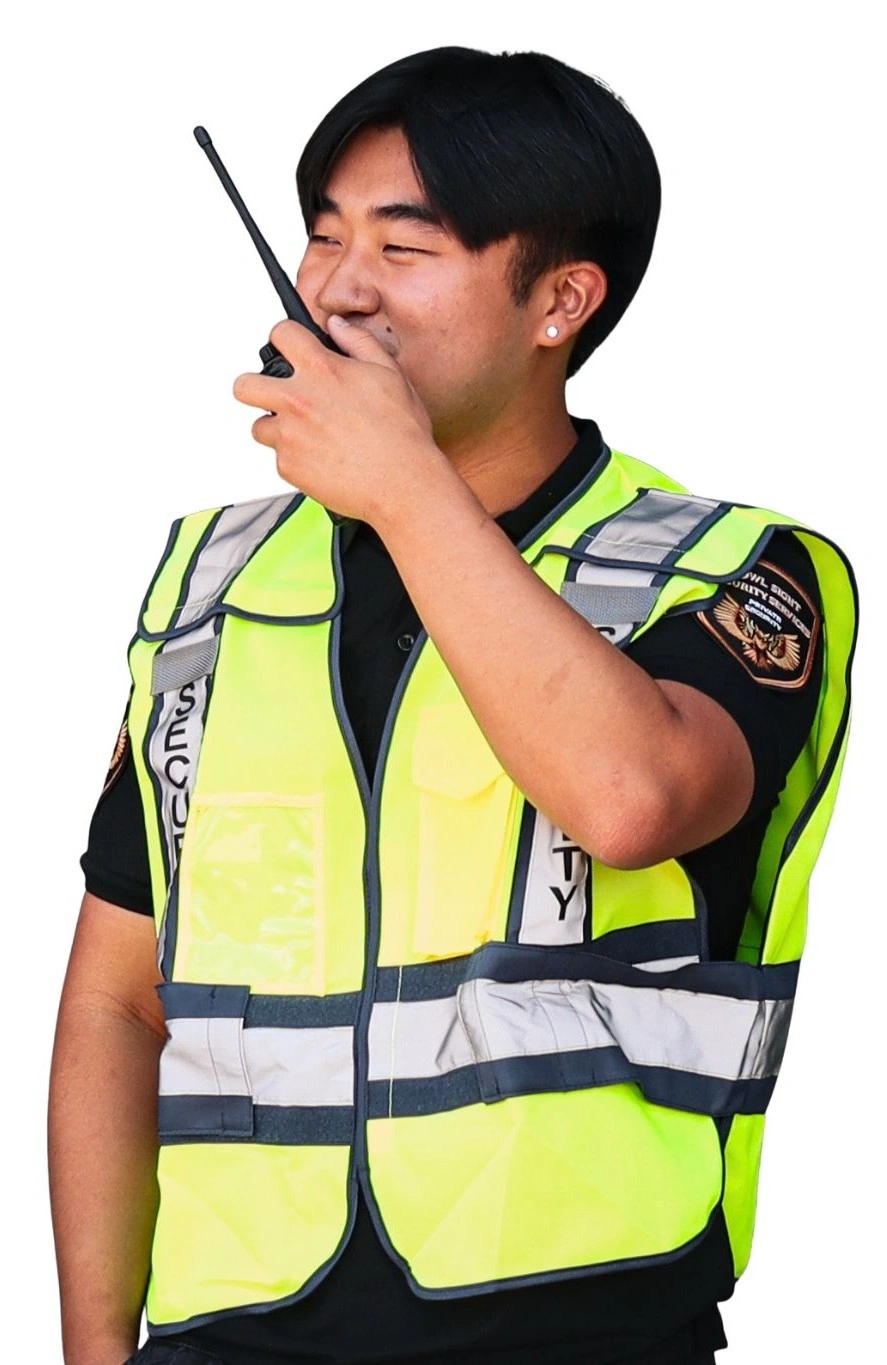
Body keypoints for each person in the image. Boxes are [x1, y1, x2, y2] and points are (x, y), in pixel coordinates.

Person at [48, 46, 856, 1365]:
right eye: (321, 238)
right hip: (227, 1336)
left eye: (403, 248)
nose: (339, 288)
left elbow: (628, 799)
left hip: (583, 1326)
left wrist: (408, 489)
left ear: (559, 302)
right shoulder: (212, 583)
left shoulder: (729, 571)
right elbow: (117, 1005)